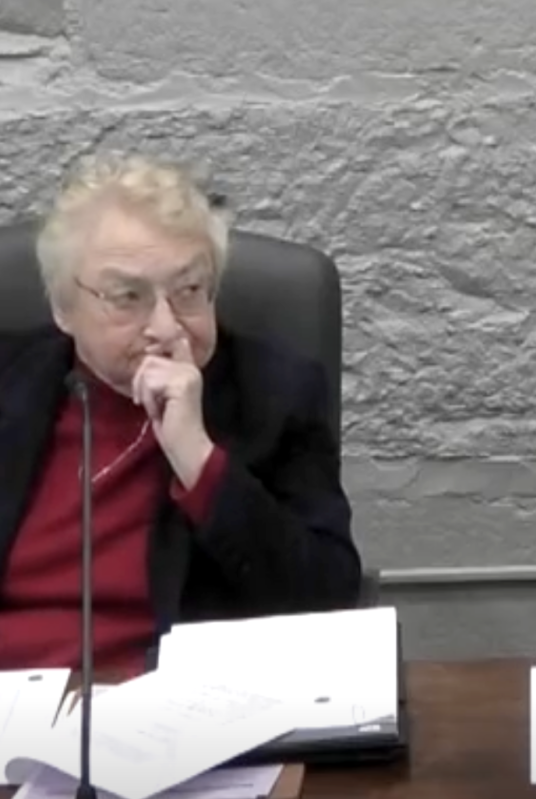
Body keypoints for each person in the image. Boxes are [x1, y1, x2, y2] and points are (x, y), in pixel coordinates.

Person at [0, 152, 362, 672]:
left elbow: (325, 601)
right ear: (63, 307)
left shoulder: (274, 395)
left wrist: (199, 460)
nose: (167, 328)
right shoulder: (12, 384)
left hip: (171, 710)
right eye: (128, 296)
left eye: (189, 291)